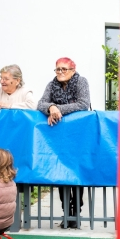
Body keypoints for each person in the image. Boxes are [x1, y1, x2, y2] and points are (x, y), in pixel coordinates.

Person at [37, 57, 91, 229]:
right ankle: (66, 212)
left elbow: (83, 104)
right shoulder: (51, 84)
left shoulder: (81, 81)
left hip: (78, 135)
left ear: (73, 70)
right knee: (61, 174)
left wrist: (58, 109)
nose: (60, 72)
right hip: (60, 137)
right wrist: (51, 107)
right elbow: (41, 103)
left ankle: (76, 213)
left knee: (76, 173)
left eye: (64, 69)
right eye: (57, 69)